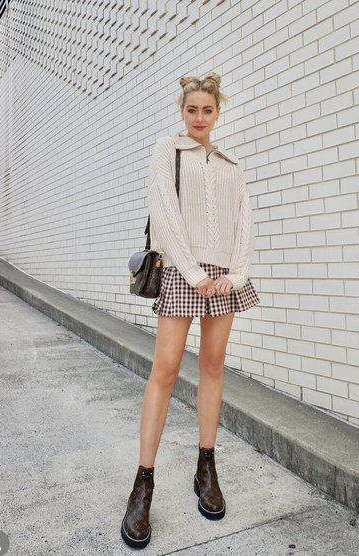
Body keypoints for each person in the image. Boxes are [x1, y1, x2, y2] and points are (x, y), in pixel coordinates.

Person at [121, 71, 260, 549]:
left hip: (223, 277)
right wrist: (193, 272)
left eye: (207, 110)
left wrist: (235, 277)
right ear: (182, 111)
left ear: (218, 112)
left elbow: (245, 224)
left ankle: (206, 467)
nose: (199, 118)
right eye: (192, 109)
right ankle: (143, 483)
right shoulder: (168, 149)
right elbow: (164, 212)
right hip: (184, 271)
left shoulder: (232, 164)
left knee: (213, 366)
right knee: (164, 369)